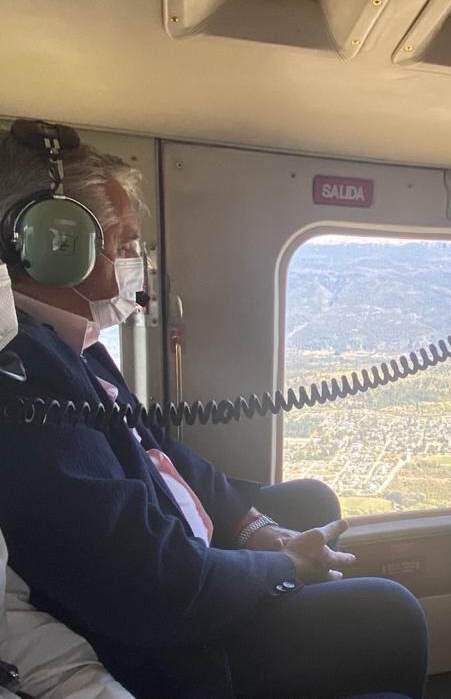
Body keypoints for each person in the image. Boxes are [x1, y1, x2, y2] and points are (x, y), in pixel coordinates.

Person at [0, 120, 428, 699]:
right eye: (123, 242)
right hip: (174, 640)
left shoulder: (73, 344)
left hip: (184, 559)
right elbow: (151, 584)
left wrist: (256, 527)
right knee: (390, 614)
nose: (136, 263)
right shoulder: (21, 378)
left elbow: (161, 452)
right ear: (56, 244)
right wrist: (284, 568)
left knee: (312, 501)